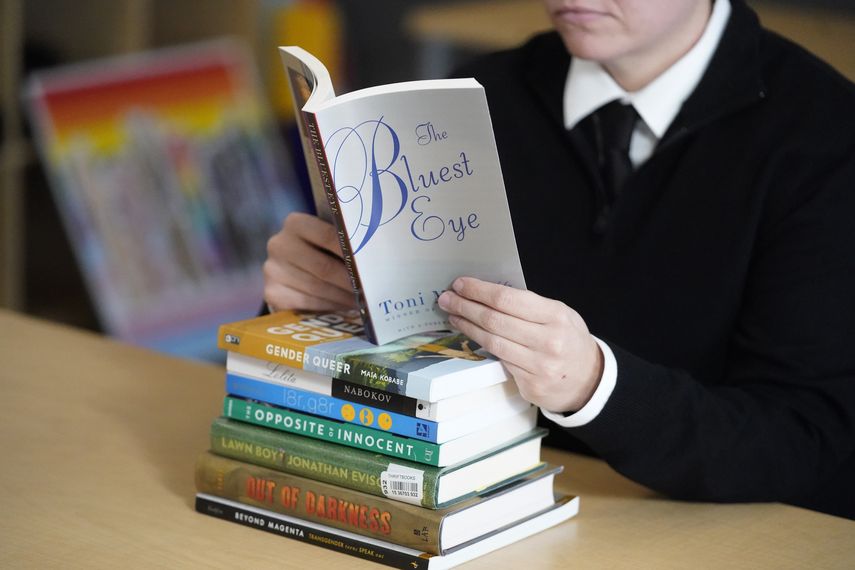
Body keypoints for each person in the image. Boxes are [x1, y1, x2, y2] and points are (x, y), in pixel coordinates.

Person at [263, 0, 855, 519]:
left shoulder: (823, 133)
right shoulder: (476, 95)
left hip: (710, 528)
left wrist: (596, 386)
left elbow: (804, 437)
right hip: (482, 502)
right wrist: (300, 304)